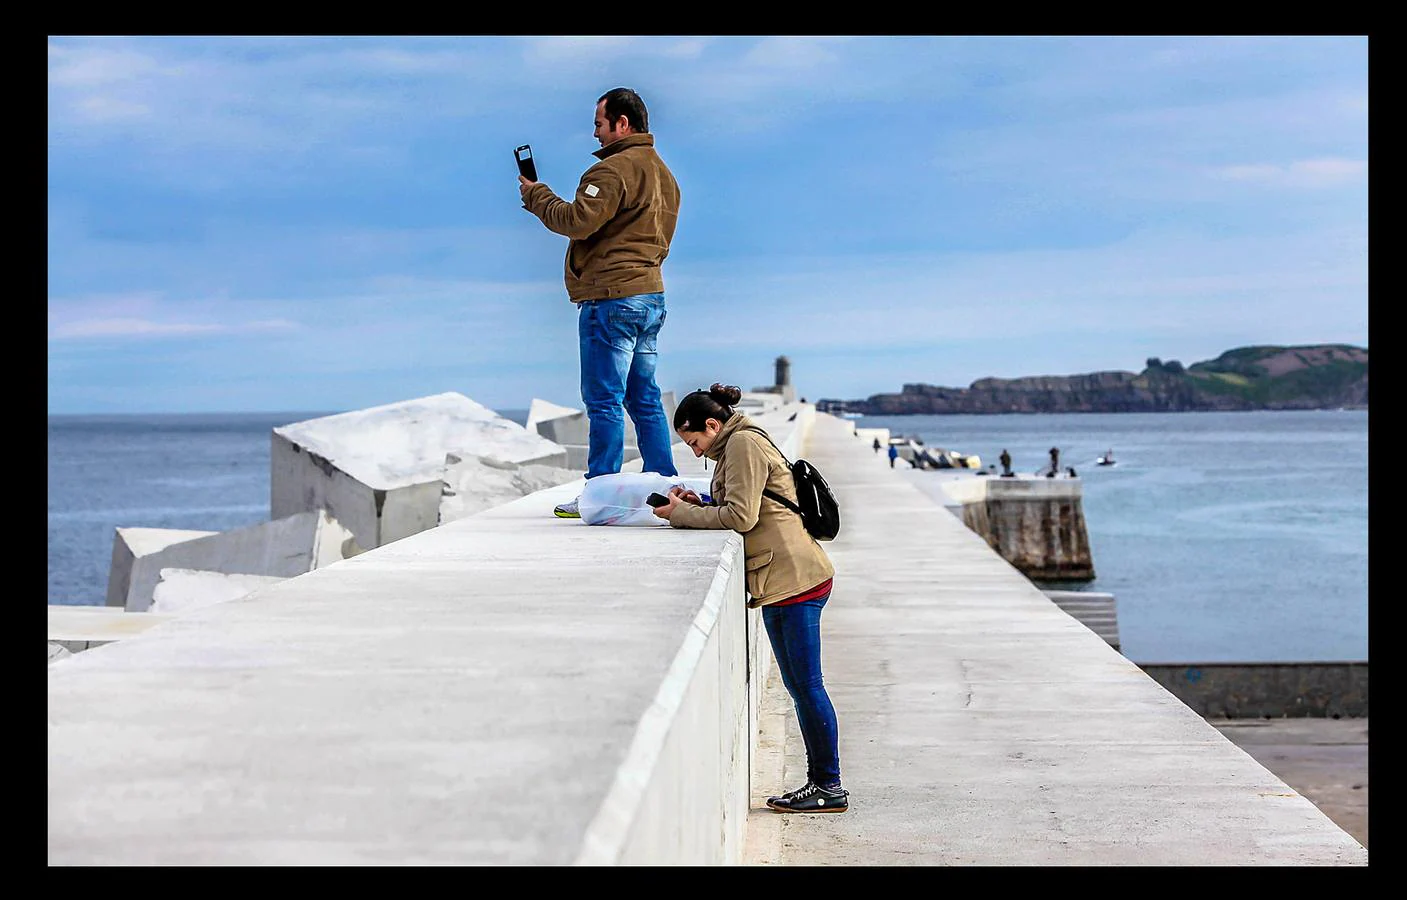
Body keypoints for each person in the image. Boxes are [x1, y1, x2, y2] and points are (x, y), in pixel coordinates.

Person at [652, 383, 847, 813]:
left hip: (794, 581)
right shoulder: (739, 441)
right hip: (782, 578)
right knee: (802, 688)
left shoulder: (741, 445)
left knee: (807, 688)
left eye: (696, 441)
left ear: (712, 425)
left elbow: (741, 516)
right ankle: (822, 783)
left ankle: (828, 787)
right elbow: (742, 502)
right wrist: (698, 501)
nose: (698, 452)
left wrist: (682, 516)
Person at [519, 87, 681, 518]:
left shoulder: (612, 172)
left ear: (622, 124)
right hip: (650, 295)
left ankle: (600, 492)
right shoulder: (665, 175)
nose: (594, 133)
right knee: (643, 396)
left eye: (599, 124)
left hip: (612, 300)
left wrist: (537, 195)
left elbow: (576, 221)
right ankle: (665, 485)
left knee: (603, 398)